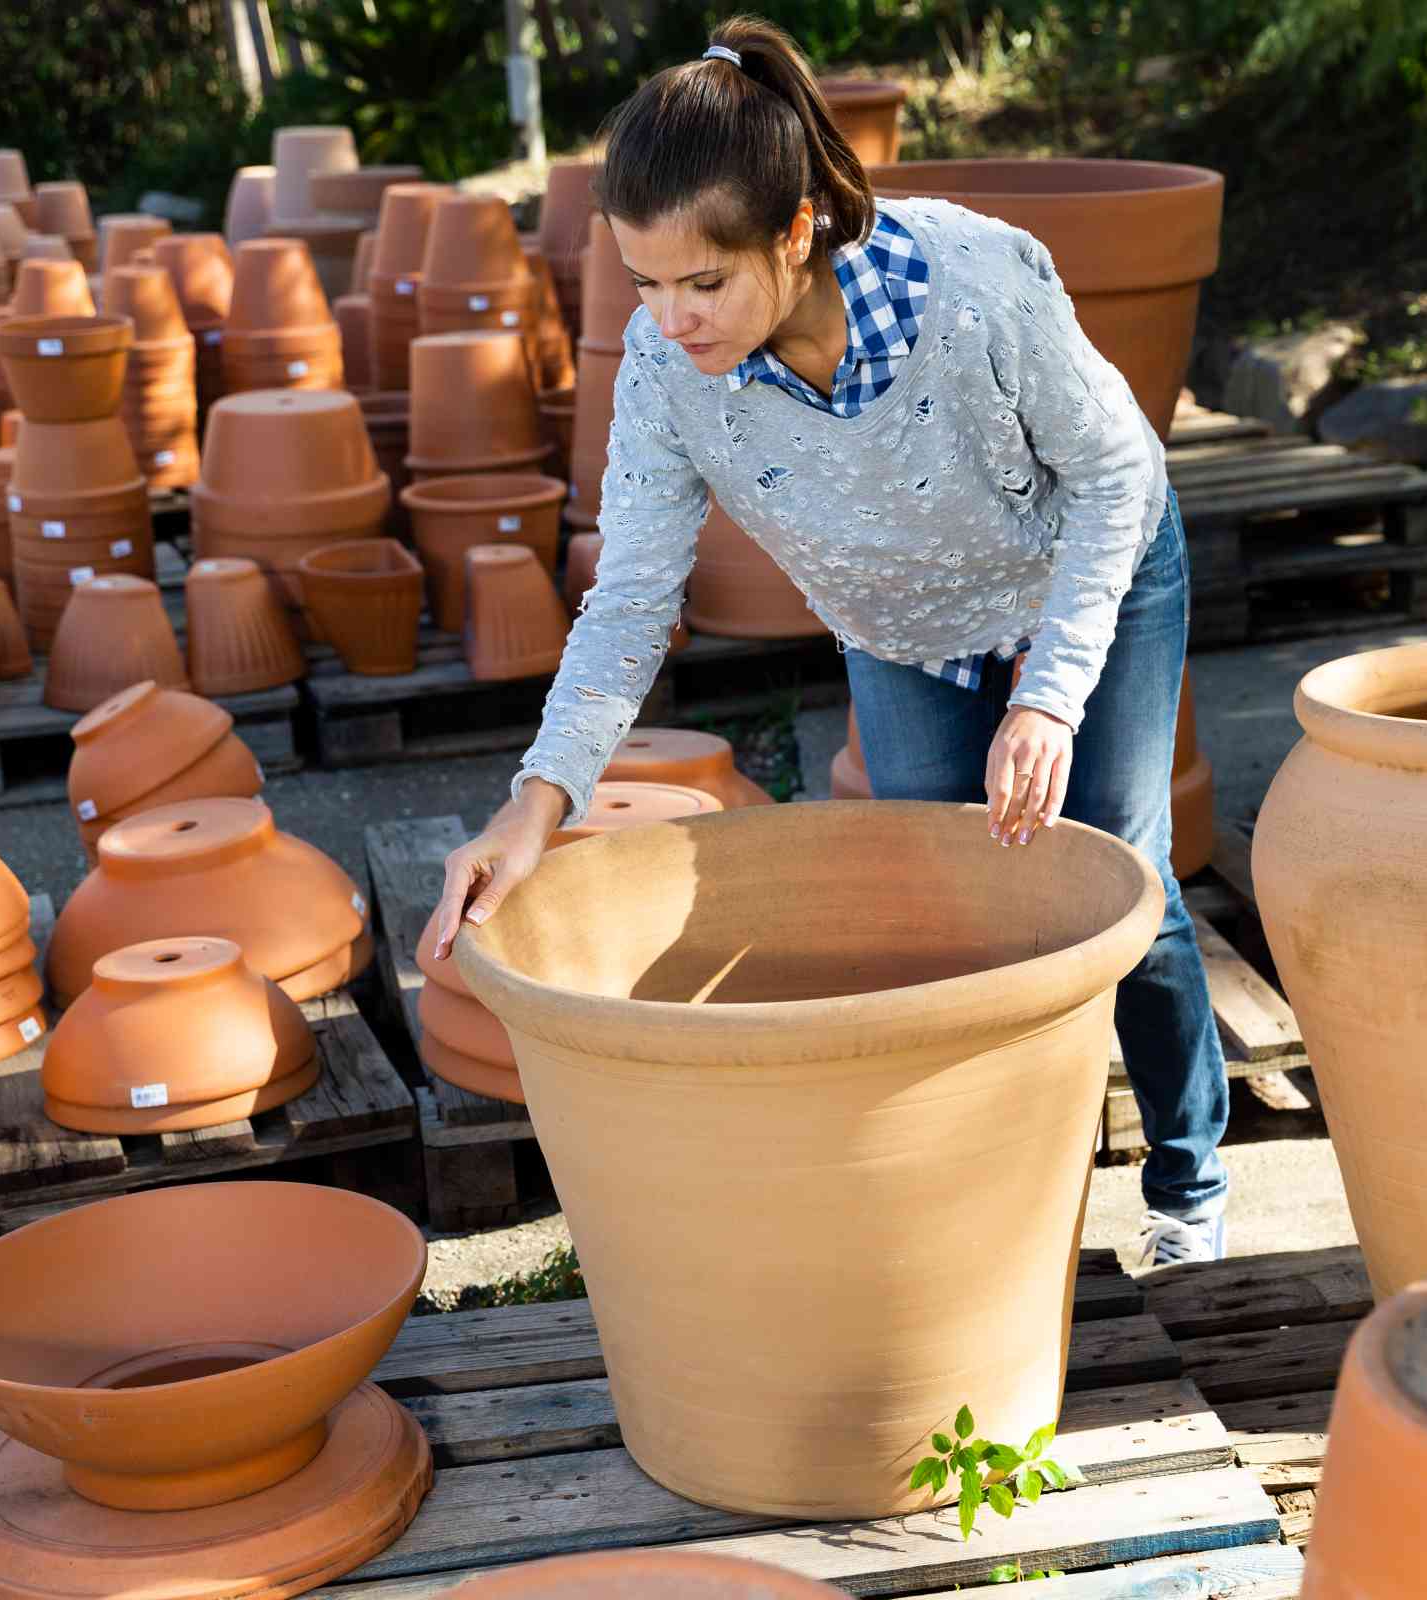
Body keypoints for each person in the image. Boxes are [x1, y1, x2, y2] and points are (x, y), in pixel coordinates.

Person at [430, 15, 1230, 1264]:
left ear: (794, 231)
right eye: (643, 282)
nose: (670, 319)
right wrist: (533, 805)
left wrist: (1051, 696)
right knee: (942, 914)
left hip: (1089, 568)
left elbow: (1117, 479)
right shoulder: (662, 368)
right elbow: (632, 599)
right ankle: (1004, 1207)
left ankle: (1186, 1186)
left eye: (704, 283)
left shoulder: (975, 284)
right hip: (905, 628)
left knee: (1118, 879)